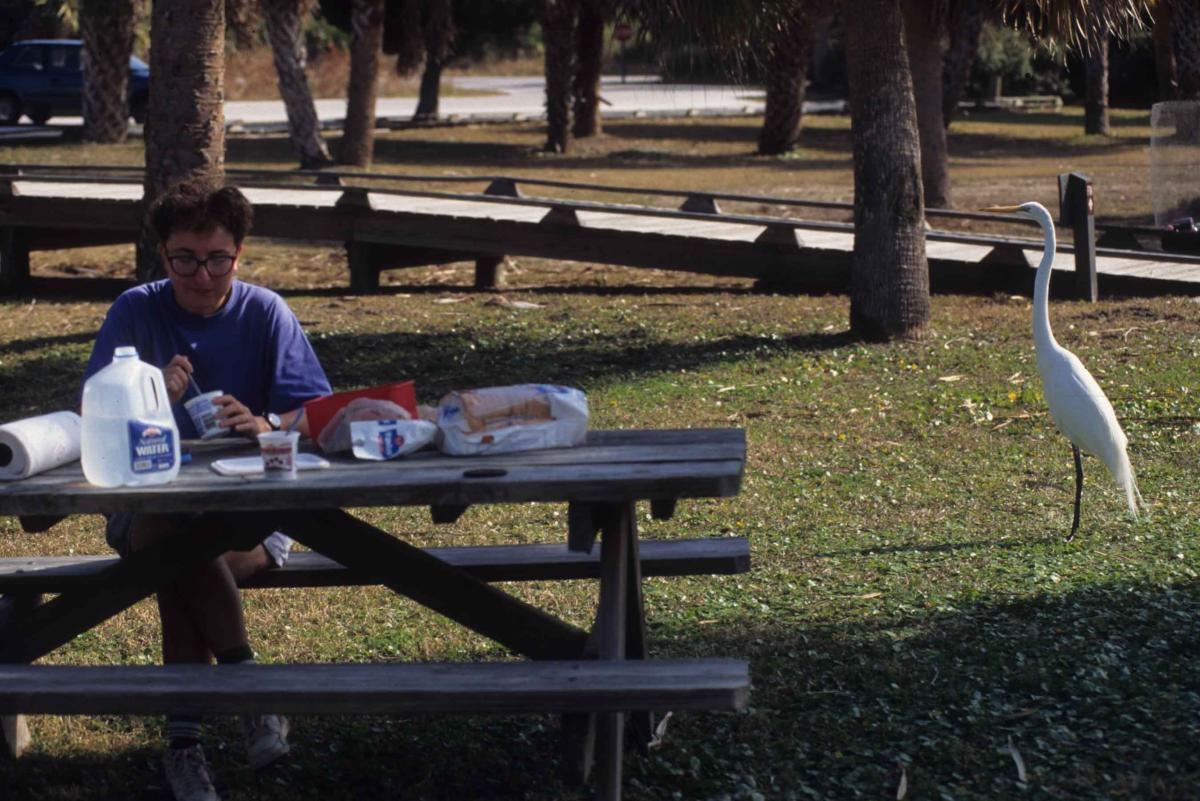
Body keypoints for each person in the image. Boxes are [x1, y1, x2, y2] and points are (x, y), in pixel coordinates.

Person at [81, 180, 331, 801]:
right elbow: (92, 421)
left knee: (180, 566)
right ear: (162, 256)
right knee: (175, 542)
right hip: (149, 507)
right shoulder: (135, 311)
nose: (201, 275)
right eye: (184, 260)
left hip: (251, 513)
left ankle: (184, 749)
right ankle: (252, 693)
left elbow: (318, 412)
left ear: (238, 255)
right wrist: (149, 396)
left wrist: (265, 422)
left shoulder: (266, 312)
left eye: (217, 259)